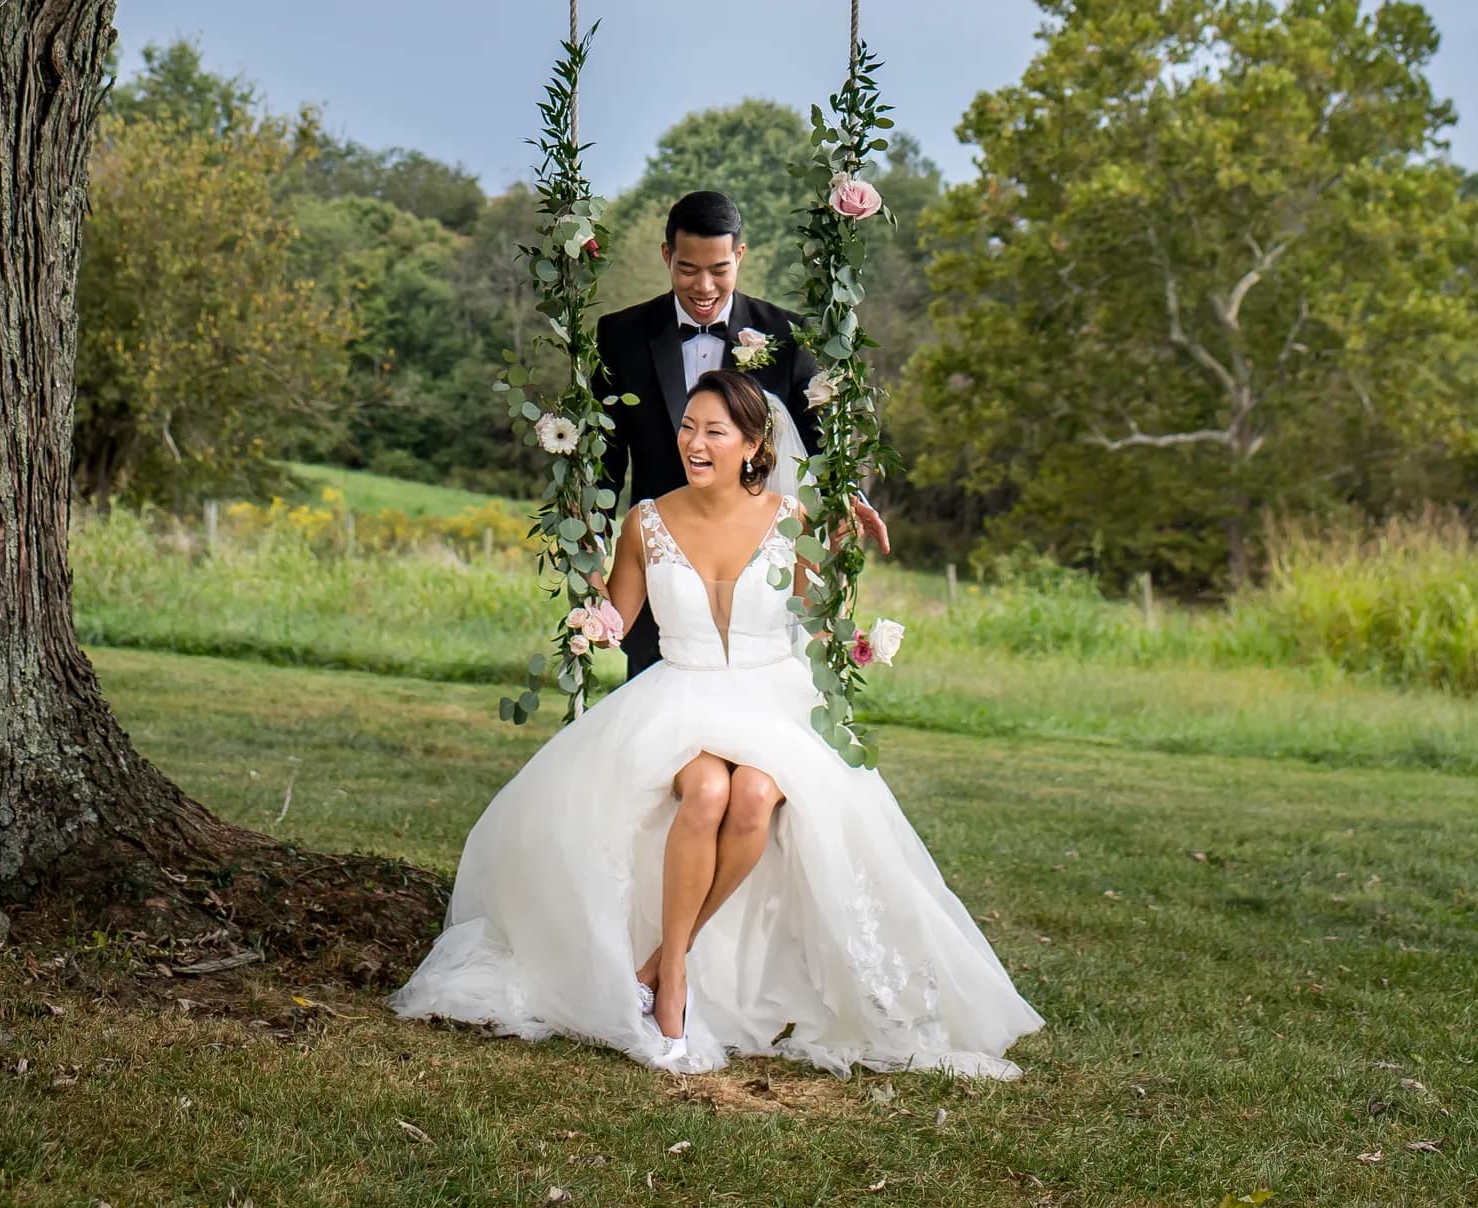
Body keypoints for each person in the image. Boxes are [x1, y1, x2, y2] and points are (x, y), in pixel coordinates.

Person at [392, 368, 1040, 1077]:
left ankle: (655, 965)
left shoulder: (793, 522)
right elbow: (620, 618)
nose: (695, 443)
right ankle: (672, 980)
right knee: (706, 795)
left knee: (756, 796)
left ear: (754, 444)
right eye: (688, 428)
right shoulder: (646, 520)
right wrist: (592, 614)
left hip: (773, 700)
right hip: (681, 698)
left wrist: (854, 629)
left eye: (714, 431)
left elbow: (817, 628)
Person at [594, 187, 889, 676]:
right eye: (688, 269)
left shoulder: (790, 336)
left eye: (719, 269)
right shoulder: (621, 335)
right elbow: (607, 453)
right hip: (664, 574)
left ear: (740, 256)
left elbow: (818, 441)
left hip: (754, 570)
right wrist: (592, 534)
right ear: (667, 255)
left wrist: (846, 495)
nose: (704, 286)